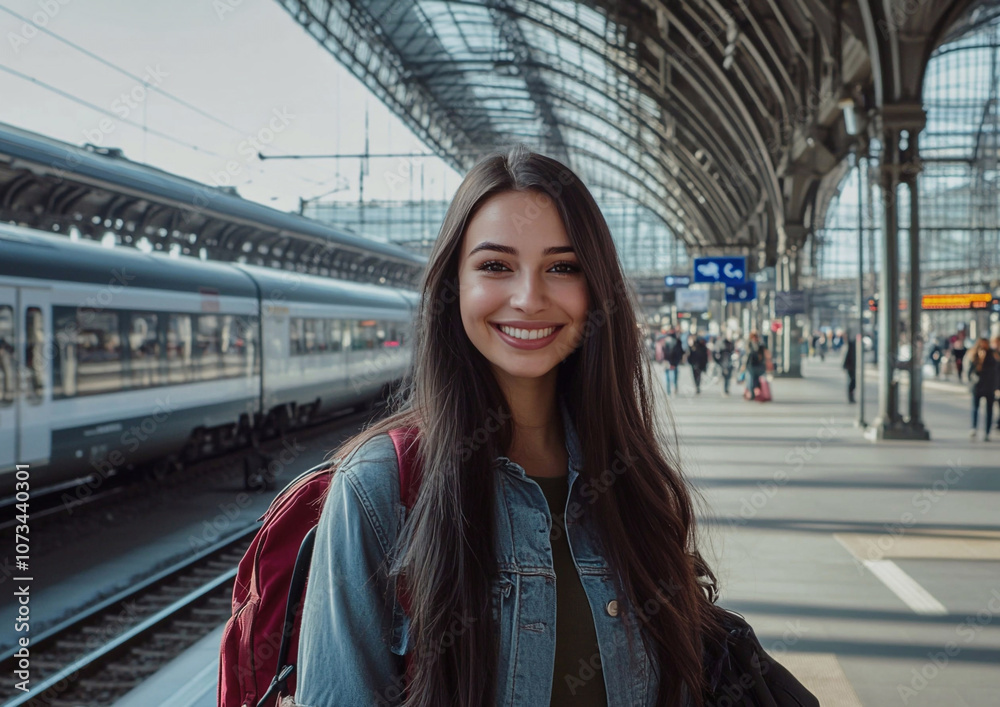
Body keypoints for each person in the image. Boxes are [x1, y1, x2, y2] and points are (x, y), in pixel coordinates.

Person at [294, 147, 730, 707]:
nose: (529, 298)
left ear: (597, 289)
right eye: (496, 266)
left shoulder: (630, 476)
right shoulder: (379, 488)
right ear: (453, 286)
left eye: (563, 267)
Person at [965, 338, 999, 441]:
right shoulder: (975, 355)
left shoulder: (993, 355)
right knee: (975, 408)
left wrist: (997, 387)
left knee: (989, 410)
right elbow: (971, 372)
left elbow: (997, 372)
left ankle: (987, 432)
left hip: (990, 387)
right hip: (978, 387)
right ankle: (974, 428)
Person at [739, 331, 768, 400]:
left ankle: (755, 393)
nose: (754, 339)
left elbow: (764, 354)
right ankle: (751, 394)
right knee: (749, 380)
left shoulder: (760, 345)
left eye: (755, 337)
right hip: (750, 365)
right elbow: (746, 356)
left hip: (758, 365)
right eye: (753, 337)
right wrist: (743, 365)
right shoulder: (748, 345)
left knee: (756, 381)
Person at [843, 335, 857, 403]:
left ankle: (851, 395)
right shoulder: (851, 345)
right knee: (853, 380)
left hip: (851, 366)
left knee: (853, 381)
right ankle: (850, 395)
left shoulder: (852, 345)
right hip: (850, 366)